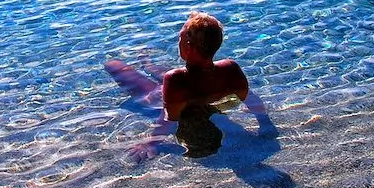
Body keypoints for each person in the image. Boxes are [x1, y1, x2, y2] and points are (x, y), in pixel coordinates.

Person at [106, 12, 276, 161]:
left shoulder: (175, 78)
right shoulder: (230, 69)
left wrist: (151, 144)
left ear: (187, 46)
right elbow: (251, 99)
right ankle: (148, 65)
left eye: (179, 38)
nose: (177, 41)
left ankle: (147, 65)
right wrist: (265, 124)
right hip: (194, 91)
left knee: (113, 65)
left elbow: (169, 118)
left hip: (168, 96)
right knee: (168, 74)